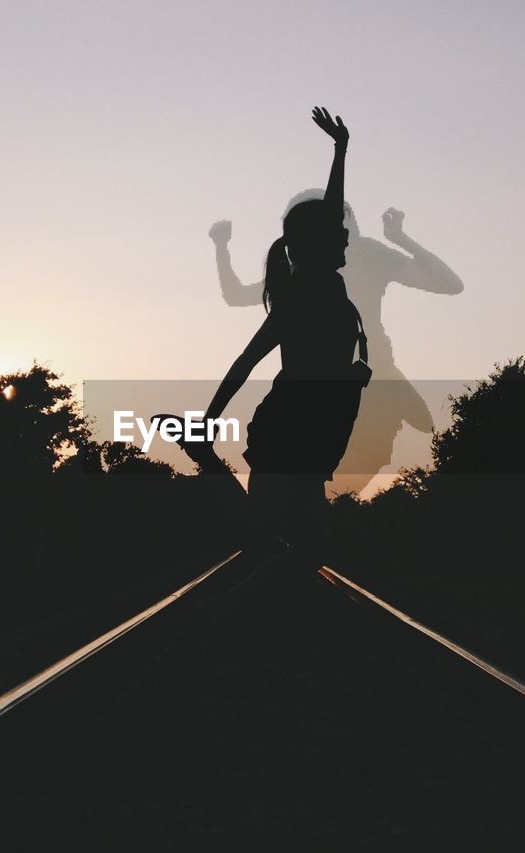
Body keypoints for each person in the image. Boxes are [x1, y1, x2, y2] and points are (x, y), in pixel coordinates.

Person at [208, 190, 463, 498]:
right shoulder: (301, 288)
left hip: (349, 398)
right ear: (320, 237)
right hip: (315, 409)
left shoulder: (349, 263)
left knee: (312, 496)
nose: (345, 235)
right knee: (308, 497)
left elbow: (450, 285)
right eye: (337, 229)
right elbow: (244, 344)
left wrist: (400, 237)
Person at [193, 107, 365, 561]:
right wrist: (209, 419)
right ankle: (221, 614)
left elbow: (328, 216)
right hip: (294, 430)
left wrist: (340, 150)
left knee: (298, 547)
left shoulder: (324, 288)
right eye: (339, 233)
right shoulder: (304, 298)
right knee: (272, 543)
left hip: (312, 430)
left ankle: (244, 611)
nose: (347, 238)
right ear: (317, 244)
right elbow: (245, 362)